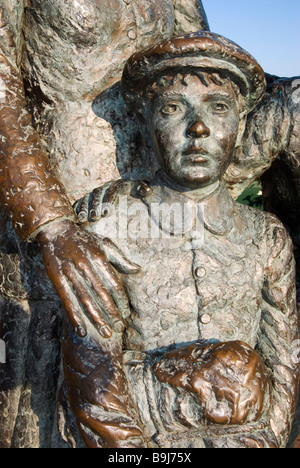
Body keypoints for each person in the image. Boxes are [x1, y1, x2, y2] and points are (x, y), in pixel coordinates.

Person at [70, 32, 299, 448]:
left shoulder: (267, 239)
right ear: (144, 120)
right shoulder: (108, 226)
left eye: (219, 108)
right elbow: (93, 375)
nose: (198, 128)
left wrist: (269, 440)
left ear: (242, 123)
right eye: (174, 109)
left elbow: (284, 362)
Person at [0, 0, 209, 447]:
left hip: (153, 220)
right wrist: (50, 222)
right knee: (42, 408)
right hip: (51, 224)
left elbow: (198, 69)